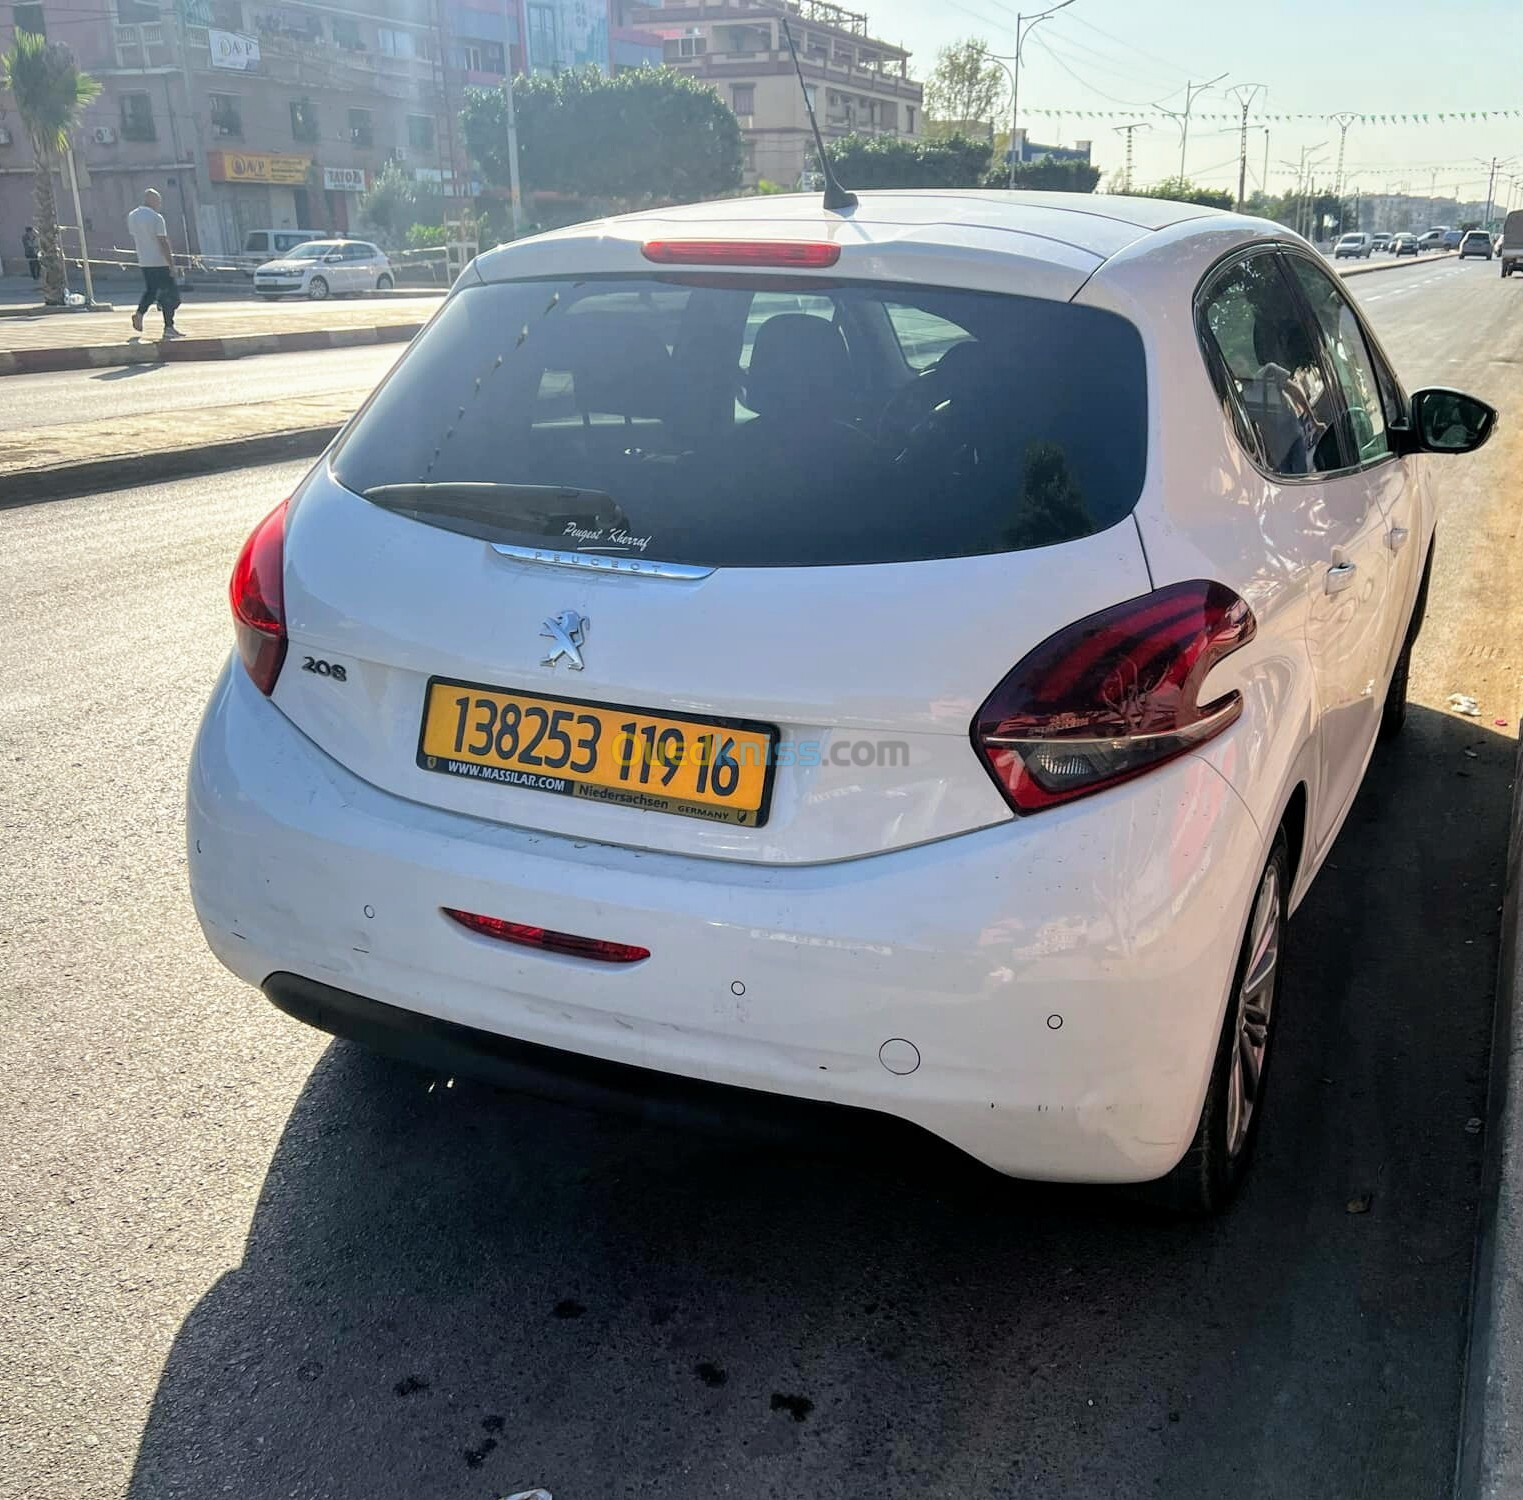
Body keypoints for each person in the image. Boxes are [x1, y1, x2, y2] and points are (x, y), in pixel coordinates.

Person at [126, 188, 182, 340]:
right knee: (172, 296)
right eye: (158, 201)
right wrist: (171, 263)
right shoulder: (157, 218)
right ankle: (169, 327)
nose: (160, 204)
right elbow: (162, 241)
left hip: (144, 261)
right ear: (151, 200)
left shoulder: (132, 216)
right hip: (159, 261)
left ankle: (139, 314)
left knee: (151, 291)